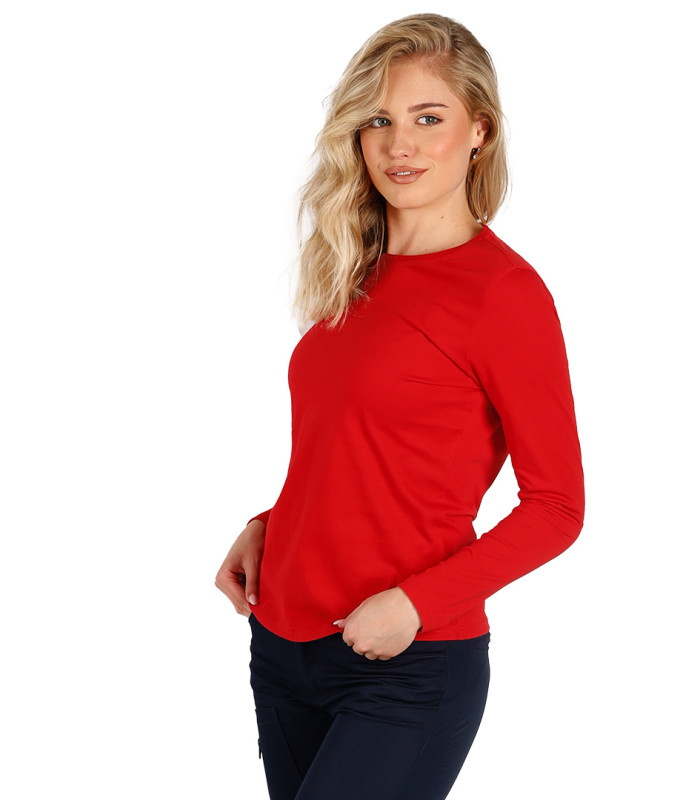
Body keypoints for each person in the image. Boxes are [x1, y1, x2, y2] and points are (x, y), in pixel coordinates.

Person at [215, 13, 584, 800]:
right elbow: (353, 451)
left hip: (405, 662)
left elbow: (557, 508)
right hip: (282, 643)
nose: (399, 146)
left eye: (428, 118)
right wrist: (271, 525)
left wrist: (416, 603)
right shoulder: (353, 273)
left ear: (479, 131)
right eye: (378, 120)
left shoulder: (505, 296)